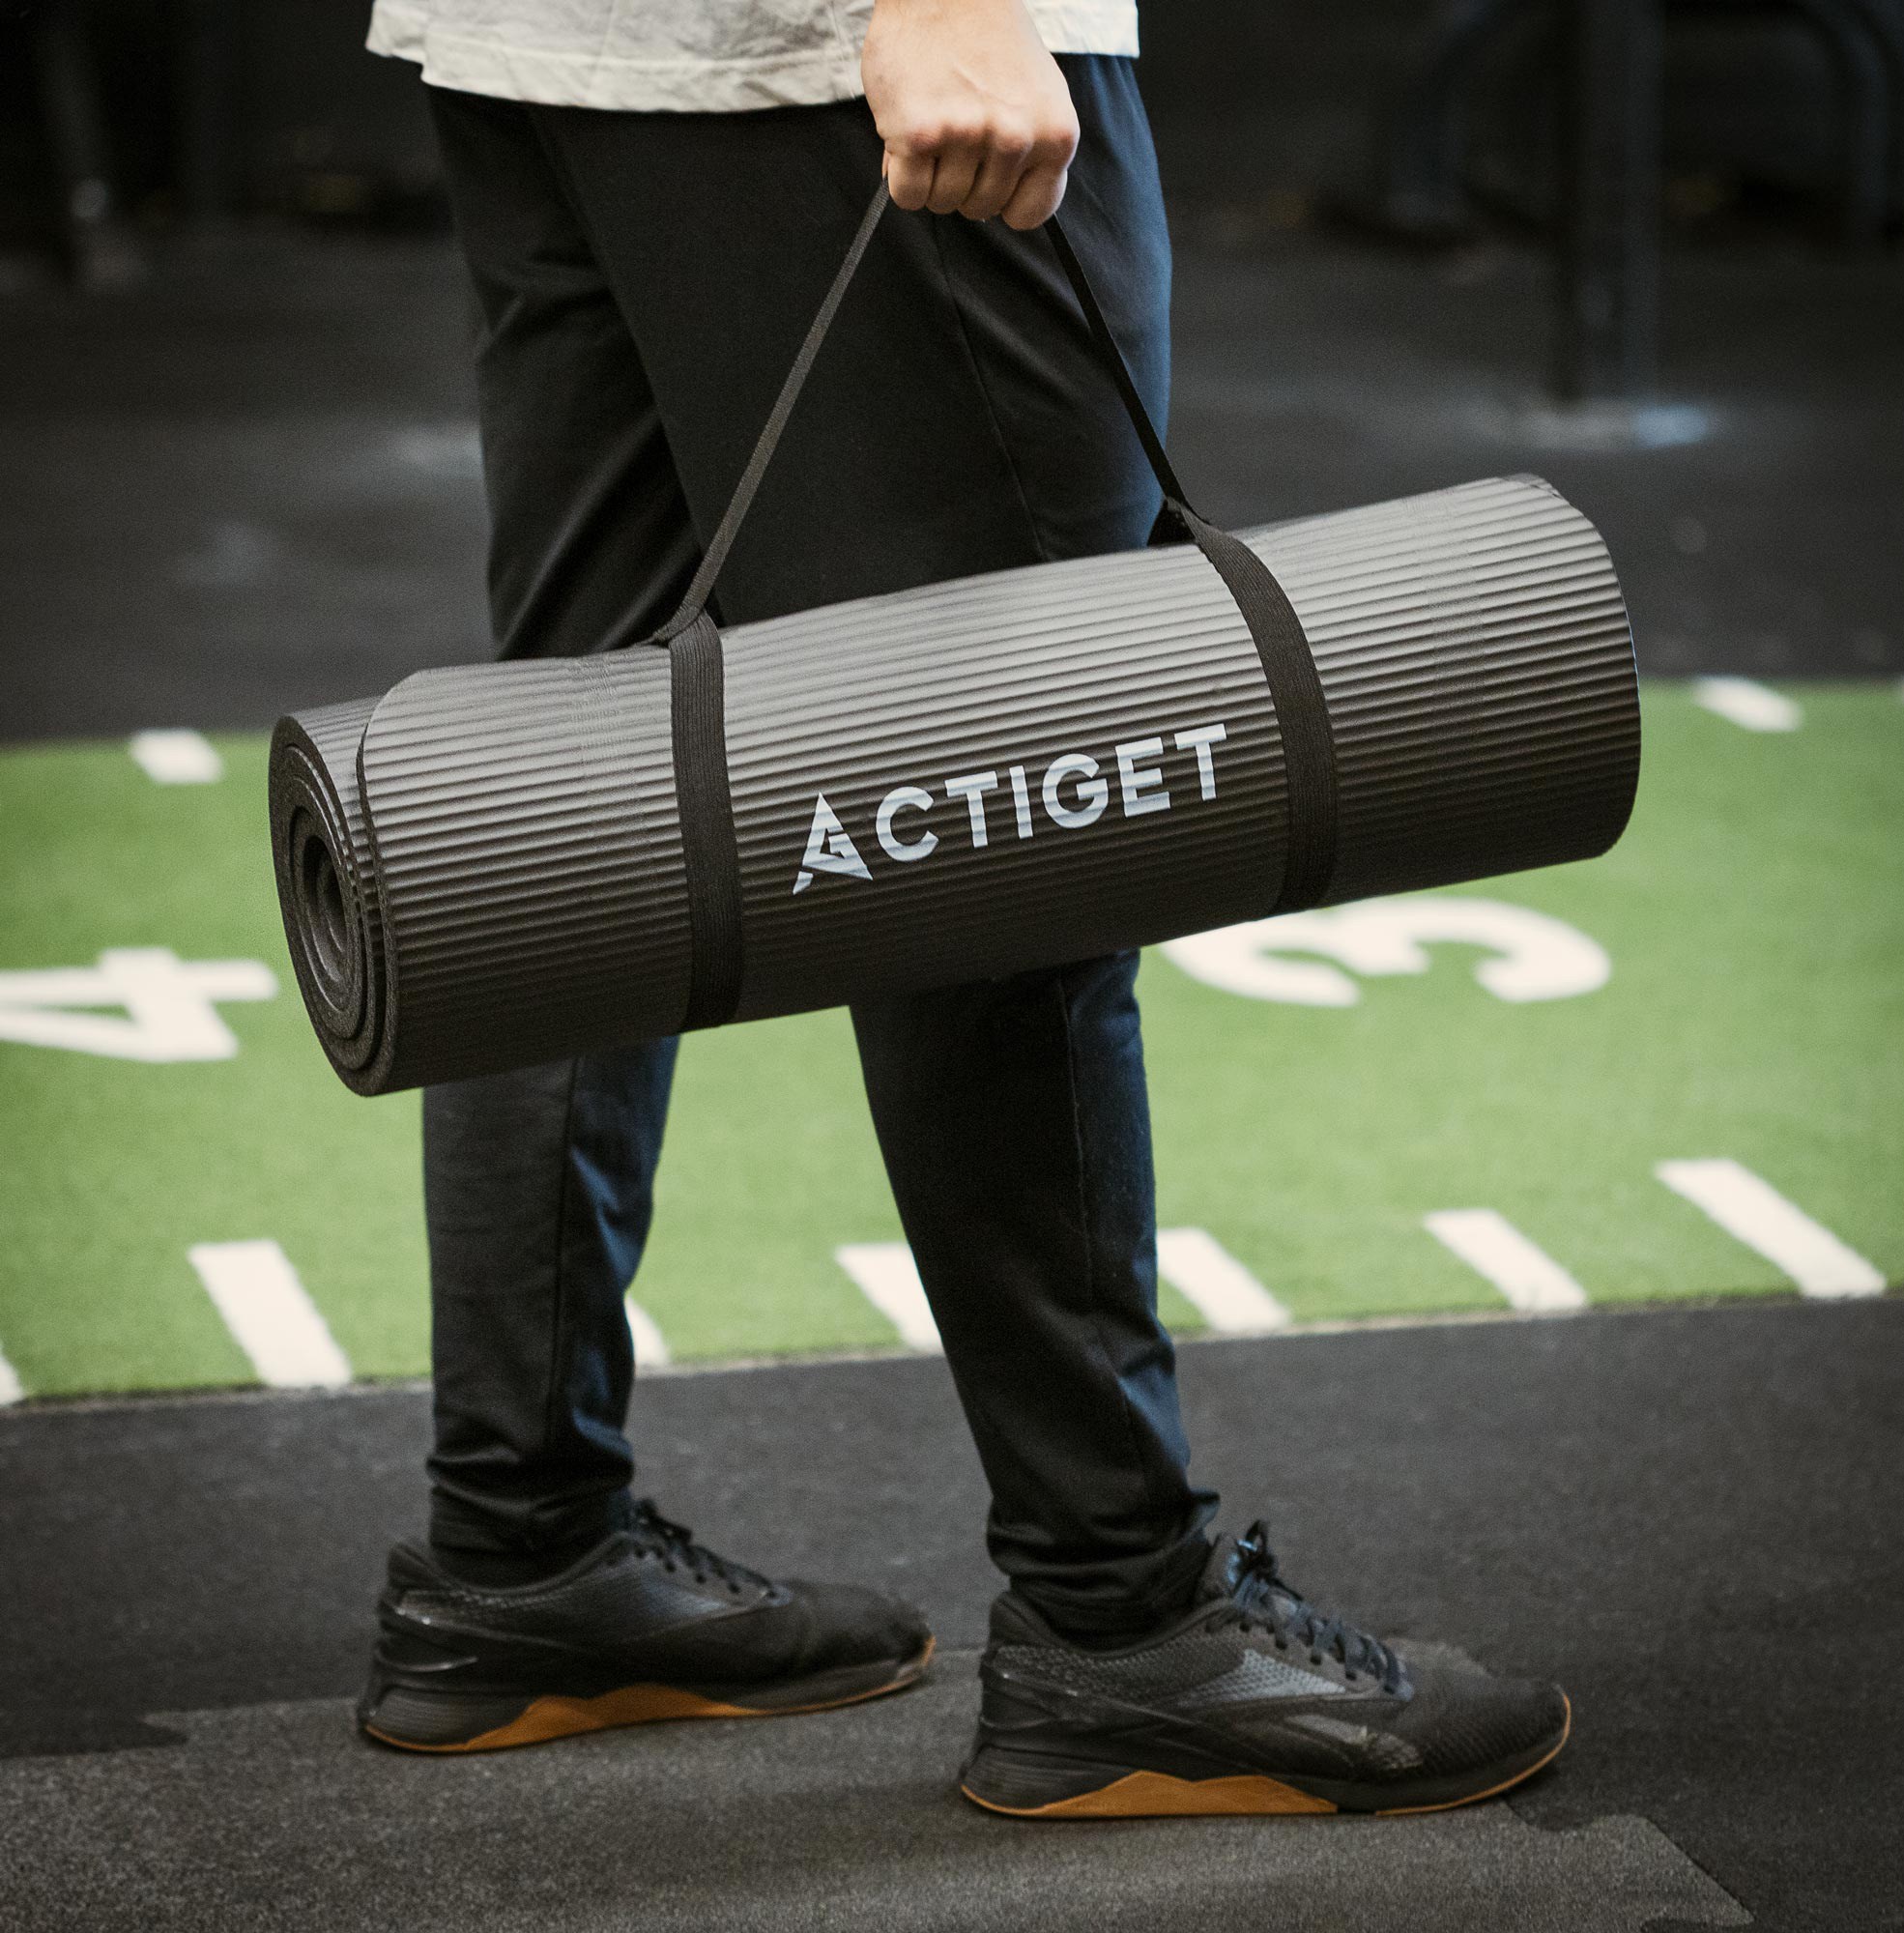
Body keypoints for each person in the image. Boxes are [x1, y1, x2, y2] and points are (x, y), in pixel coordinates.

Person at [356, 0, 1571, 1817]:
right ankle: (1120, 1616)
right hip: (831, 55)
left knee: (583, 799)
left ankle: (519, 1551)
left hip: (550, 41)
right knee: (1013, 797)